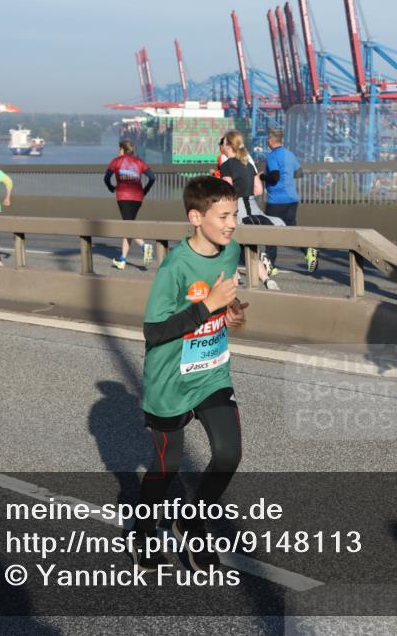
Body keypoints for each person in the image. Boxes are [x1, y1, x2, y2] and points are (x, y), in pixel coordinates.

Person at [134, 175, 247, 572]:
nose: (232, 223)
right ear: (196, 217)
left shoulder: (231, 251)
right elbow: (154, 330)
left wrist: (232, 311)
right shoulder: (175, 267)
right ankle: (144, 531)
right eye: (224, 216)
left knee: (229, 453)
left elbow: (226, 300)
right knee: (168, 465)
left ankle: (193, 519)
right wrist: (207, 306)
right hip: (170, 381)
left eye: (235, 214)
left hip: (212, 373)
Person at [218, 130, 280, 290]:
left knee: (227, 247)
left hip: (237, 211)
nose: (222, 147)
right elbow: (259, 190)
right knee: (249, 249)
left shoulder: (226, 165)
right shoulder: (248, 164)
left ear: (229, 146)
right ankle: (266, 280)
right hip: (252, 209)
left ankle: (234, 280)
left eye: (224, 143)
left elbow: (228, 190)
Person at [261, 128, 317, 272]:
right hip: (292, 198)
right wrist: (288, 176)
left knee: (270, 232)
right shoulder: (289, 154)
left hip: (276, 200)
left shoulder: (272, 156)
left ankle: (271, 265)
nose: (267, 140)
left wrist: (262, 177)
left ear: (272, 140)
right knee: (292, 229)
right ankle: (308, 251)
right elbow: (299, 173)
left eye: (268, 138)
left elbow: (274, 177)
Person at [106, 139, 156, 270]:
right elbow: (152, 177)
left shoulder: (116, 161)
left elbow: (106, 178)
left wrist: (111, 188)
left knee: (127, 226)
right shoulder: (139, 162)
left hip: (123, 196)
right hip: (138, 197)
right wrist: (144, 190)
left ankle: (144, 246)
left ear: (122, 149)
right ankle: (122, 260)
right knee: (128, 224)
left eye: (119, 149)